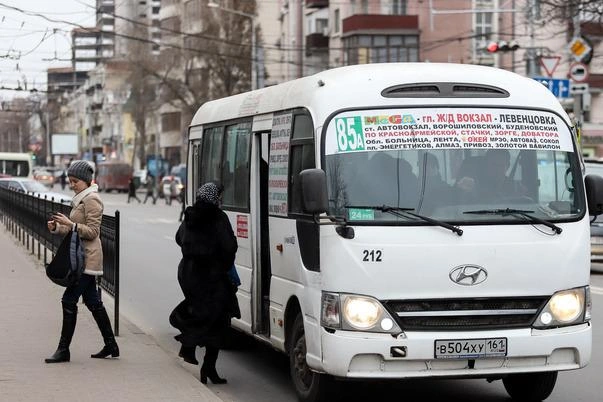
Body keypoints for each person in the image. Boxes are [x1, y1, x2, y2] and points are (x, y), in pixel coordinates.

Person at [45, 160, 120, 363]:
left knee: (68, 300)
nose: (72, 184)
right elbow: (73, 230)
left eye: (75, 181)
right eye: (70, 181)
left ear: (87, 181)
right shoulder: (80, 199)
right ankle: (111, 345)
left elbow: (93, 232)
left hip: (87, 261)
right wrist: (56, 227)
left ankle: (63, 350)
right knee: (92, 302)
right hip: (80, 258)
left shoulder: (92, 200)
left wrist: (71, 224)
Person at [169, 182, 239, 385]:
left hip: (189, 274)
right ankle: (200, 358)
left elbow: (178, 238)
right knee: (219, 320)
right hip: (212, 276)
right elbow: (229, 247)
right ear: (214, 198)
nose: (221, 200)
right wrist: (222, 264)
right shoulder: (218, 217)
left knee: (199, 314)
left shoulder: (190, 215)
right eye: (219, 196)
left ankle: (195, 355)